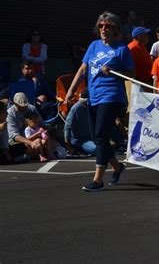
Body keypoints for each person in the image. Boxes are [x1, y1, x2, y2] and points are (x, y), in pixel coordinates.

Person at [65, 11, 135, 192]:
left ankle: (97, 180)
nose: (104, 29)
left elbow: (131, 74)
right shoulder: (94, 46)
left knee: (101, 136)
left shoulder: (122, 49)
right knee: (98, 137)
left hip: (111, 96)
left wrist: (112, 70)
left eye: (108, 26)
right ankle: (117, 167)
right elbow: (82, 69)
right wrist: (71, 90)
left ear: (115, 29)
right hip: (93, 96)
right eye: (101, 25)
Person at [7, 92, 53, 161]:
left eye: (25, 106)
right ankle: (35, 154)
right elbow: (14, 135)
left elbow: (41, 124)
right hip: (19, 141)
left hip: (34, 136)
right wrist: (30, 143)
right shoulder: (10, 113)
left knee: (49, 142)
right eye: (21, 106)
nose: (24, 108)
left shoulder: (31, 108)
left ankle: (45, 154)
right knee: (20, 148)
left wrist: (47, 132)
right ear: (15, 104)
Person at [64, 88, 96, 155]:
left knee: (105, 147)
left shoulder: (93, 106)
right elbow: (68, 126)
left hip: (91, 137)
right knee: (96, 149)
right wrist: (68, 145)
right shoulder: (76, 109)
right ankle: (78, 149)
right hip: (78, 139)